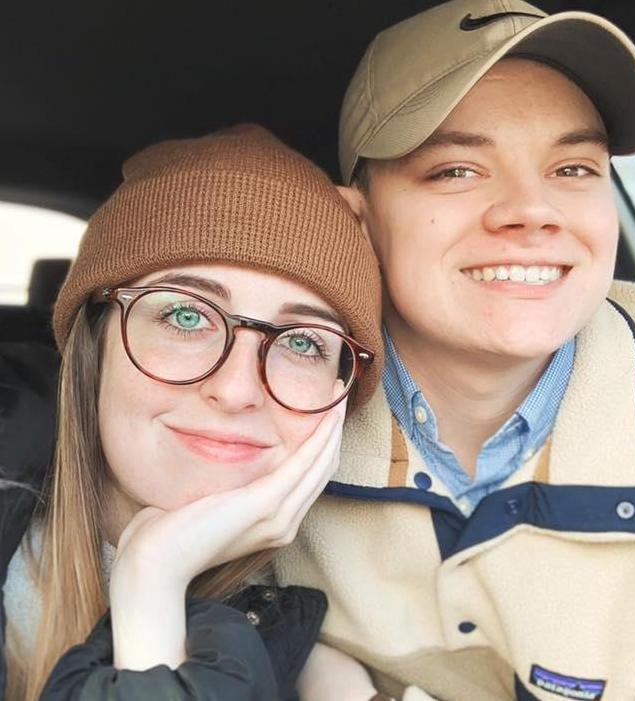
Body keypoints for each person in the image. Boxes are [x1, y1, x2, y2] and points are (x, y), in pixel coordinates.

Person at [274, 1, 635, 700]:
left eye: (573, 168)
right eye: (456, 170)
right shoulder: (264, 402)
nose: (532, 210)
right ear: (358, 220)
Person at [0, 123, 384, 701]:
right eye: (186, 316)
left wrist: (153, 580)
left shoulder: (321, 671)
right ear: (94, 346)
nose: (236, 389)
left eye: (303, 342)